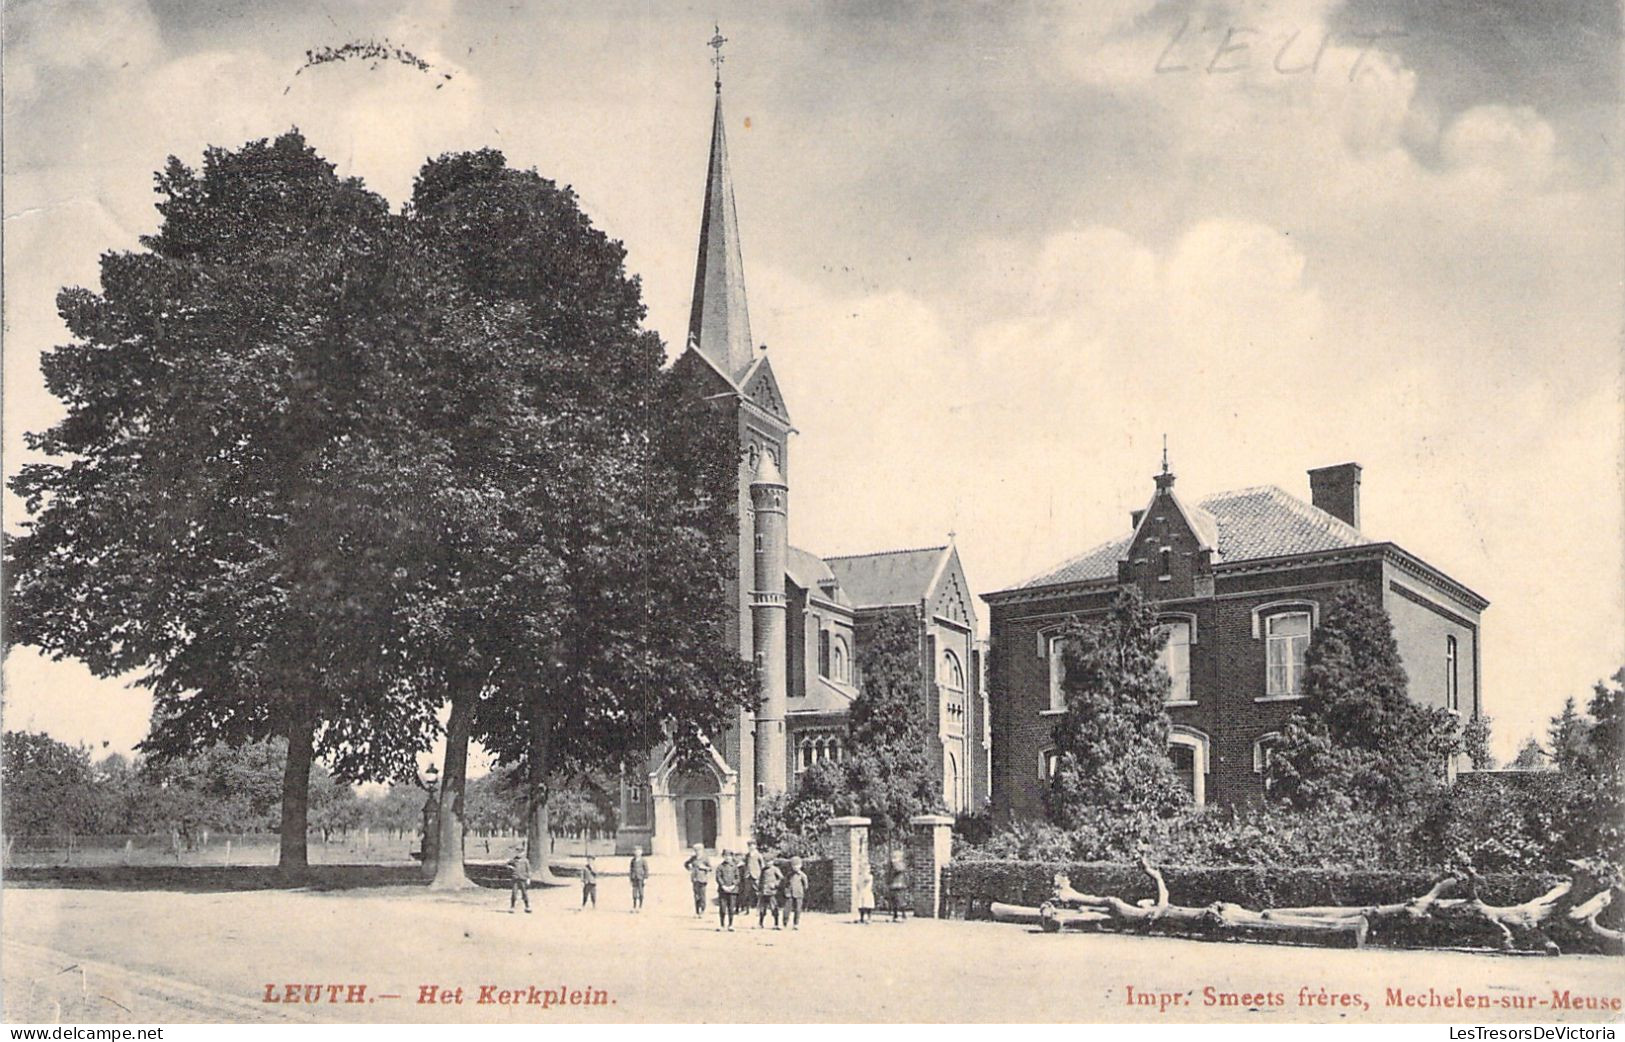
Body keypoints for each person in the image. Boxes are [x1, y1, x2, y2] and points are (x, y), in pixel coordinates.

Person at [683, 844, 712, 918]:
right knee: (696, 896)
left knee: (702, 896)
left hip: (702, 879)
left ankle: (702, 911)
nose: (697, 852)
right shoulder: (693, 858)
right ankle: (697, 911)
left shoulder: (705, 858)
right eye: (696, 850)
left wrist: (704, 867)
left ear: (702, 850)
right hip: (695, 879)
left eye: (699, 850)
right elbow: (686, 864)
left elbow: (710, 868)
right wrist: (689, 869)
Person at [714, 849, 740, 931]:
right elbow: (718, 877)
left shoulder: (735, 867)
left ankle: (730, 925)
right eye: (726, 856)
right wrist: (723, 886)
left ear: (732, 857)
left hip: (733, 890)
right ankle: (722, 925)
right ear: (723, 857)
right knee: (722, 908)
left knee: (731, 908)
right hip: (723, 890)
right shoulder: (720, 867)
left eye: (729, 856)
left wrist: (733, 885)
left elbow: (738, 877)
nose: (728, 858)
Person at [757, 855, 784, 929]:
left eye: (769, 861)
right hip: (764, 892)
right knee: (762, 909)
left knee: (774, 908)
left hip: (772, 892)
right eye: (766, 862)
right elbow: (761, 880)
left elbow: (781, 878)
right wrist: (759, 890)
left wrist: (775, 884)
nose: (768, 863)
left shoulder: (775, 869)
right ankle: (760, 923)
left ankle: (776, 924)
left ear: (772, 861)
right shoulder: (763, 870)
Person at [784, 856, 808, 930]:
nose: (795, 867)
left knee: (798, 909)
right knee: (787, 909)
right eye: (793, 865)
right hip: (789, 894)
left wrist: (802, 891)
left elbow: (806, 885)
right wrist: (786, 891)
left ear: (800, 865)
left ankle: (796, 924)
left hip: (798, 894)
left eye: (797, 865)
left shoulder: (802, 875)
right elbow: (785, 883)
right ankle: (785, 923)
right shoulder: (789, 875)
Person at [887, 849, 910, 922]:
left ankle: (903, 913)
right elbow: (889, 873)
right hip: (893, 883)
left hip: (900, 884)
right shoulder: (891, 864)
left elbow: (899, 870)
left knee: (900, 899)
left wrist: (894, 864)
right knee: (894, 900)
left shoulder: (900, 864)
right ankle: (895, 914)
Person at [507, 849, 532, 914]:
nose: (519, 854)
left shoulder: (525, 861)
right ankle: (512, 907)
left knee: (524, 893)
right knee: (514, 893)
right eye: (517, 853)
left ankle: (527, 906)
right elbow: (507, 865)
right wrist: (510, 868)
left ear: (523, 853)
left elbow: (528, 870)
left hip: (523, 879)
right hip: (515, 879)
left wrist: (528, 878)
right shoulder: (513, 860)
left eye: (520, 853)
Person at [739, 840, 762, 912]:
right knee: (746, 892)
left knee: (757, 892)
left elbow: (762, 866)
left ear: (755, 846)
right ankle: (746, 909)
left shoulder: (758, 855)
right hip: (748, 876)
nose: (751, 847)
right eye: (749, 846)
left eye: (752, 845)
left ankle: (759, 908)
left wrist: (760, 876)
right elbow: (745, 864)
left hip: (756, 876)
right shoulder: (747, 855)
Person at [628, 845, 649, 913]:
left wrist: (645, 878)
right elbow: (631, 869)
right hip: (634, 878)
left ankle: (640, 906)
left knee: (641, 892)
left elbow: (646, 870)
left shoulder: (643, 860)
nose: (637, 853)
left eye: (638, 851)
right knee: (634, 893)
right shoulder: (633, 860)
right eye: (636, 851)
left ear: (641, 852)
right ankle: (634, 906)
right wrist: (630, 878)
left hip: (641, 878)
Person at [855, 860, 875, 924]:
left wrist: (865, 875)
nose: (865, 870)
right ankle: (861, 918)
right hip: (861, 892)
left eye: (867, 869)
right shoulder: (859, 877)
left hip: (867, 892)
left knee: (868, 905)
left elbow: (866, 880)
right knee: (861, 906)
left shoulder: (870, 876)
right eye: (863, 869)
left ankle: (869, 918)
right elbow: (857, 885)